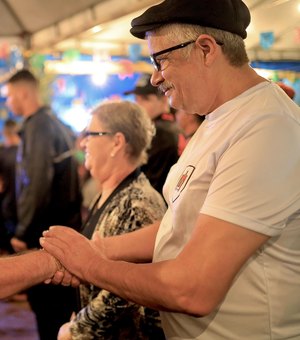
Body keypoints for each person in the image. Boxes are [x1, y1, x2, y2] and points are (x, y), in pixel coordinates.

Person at [22, 0, 300, 338]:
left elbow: (192, 289)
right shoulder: (219, 119)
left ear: (206, 49)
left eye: (161, 59)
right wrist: (99, 249)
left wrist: (92, 266)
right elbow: (181, 223)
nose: (155, 77)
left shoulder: (266, 129)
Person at [57, 100, 166, 340]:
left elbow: (125, 289)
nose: (83, 142)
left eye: (91, 134)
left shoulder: (138, 202)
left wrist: (76, 330)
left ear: (117, 142)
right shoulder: (108, 190)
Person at [6, 69, 82, 340]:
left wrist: (23, 232)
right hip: (58, 231)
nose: (8, 102)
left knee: (51, 314)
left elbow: (35, 183)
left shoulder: (39, 126)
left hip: (48, 235)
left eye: (10, 95)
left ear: (24, 93)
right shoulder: (49, 122)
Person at [125, 73, 181, 193]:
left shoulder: (160, 131)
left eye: (145, 99)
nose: (138, 105)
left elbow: (151, 184)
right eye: (136, 99)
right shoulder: (169, 126)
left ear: (164, 99)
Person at [0, 118, 20, 253]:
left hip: (6, 208)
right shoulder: (26, 154)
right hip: (23, 208)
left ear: (5, 133)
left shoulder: (2, 154)